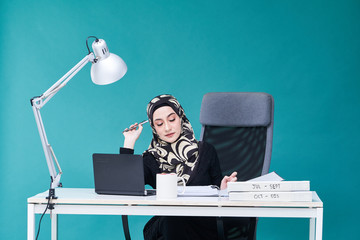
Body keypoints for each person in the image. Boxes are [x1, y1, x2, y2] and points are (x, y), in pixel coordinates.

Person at [120, 94, 237, 240]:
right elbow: (124, 189)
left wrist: (225, 190)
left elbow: (218, 197)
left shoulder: (206, 151)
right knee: (173, 216)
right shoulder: (151, 159)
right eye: (159, 124)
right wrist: (129, 142)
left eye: (171, 119)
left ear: (181, 117)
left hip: (202, 226)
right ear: (154, 128)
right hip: (166, 223)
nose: (167, 127)